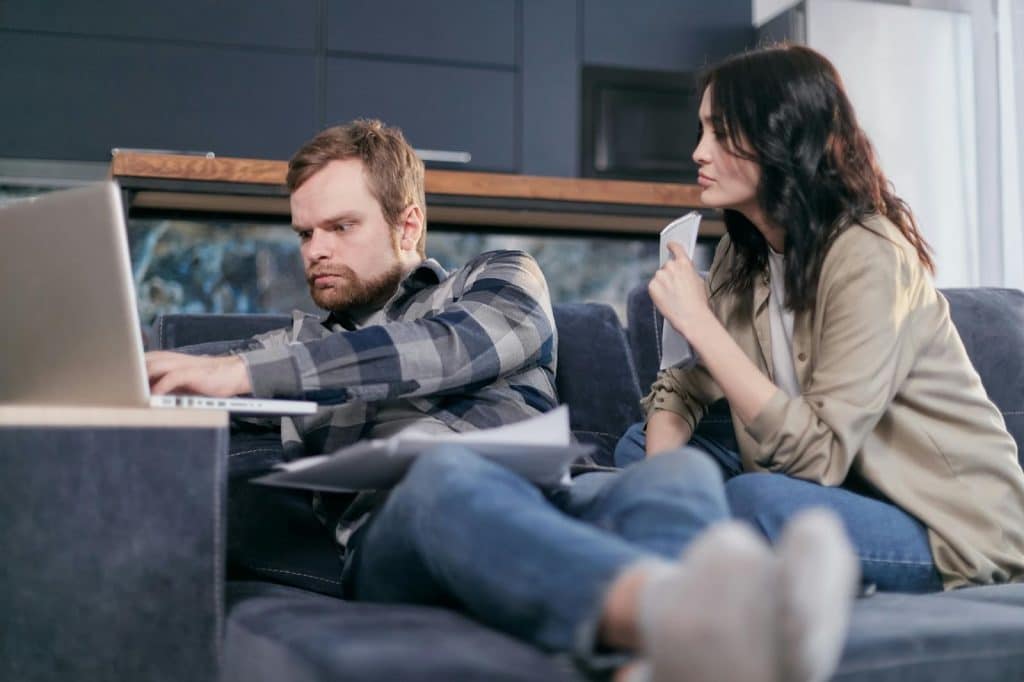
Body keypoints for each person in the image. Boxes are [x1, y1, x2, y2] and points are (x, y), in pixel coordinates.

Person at [146, 118, 857, 681]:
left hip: (551, 497)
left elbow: (450, 347)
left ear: (408, 225)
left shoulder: (496, 279)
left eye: (340, 227)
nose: (315, 251)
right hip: (403, 532)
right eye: (305, 233)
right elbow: (186, 375)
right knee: (447, 470)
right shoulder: (293, 344)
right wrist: (160, 370)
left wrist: (248, 375)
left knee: (680, 472)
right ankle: (684, 618)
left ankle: (660, 663)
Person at [616, 43, 1024, 593]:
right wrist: (658, 487)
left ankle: (685, 572)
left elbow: (818, 456)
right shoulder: (747, 249)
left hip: (944, 522)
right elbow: (681, 387)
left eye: (719, 132)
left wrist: (700, 323)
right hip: (832, 485)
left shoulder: (870, 257)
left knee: (754, 500)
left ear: (779, 136)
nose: (698, 153)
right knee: (641, 447)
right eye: (700, 131)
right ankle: (691, 561)